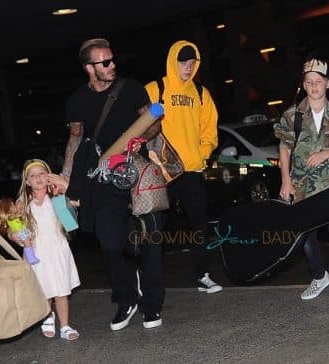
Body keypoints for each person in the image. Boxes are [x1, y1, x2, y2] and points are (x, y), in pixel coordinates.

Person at [63, 38, 165, 330]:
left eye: (112, 60)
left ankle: (152, 305)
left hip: (137, 174)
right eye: (104, 62)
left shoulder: (131, 89)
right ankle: (127, 298)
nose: (112, 65)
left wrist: (140, 139)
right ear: (89, 68)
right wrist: (67, 176)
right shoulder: (77, 100)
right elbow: (75, 138)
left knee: (151, 242)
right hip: (102, 178)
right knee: (109, 245)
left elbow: (155, 122)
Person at [274, 58, 329, 300]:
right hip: (302, 186)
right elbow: (284, 149)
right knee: (305, 236)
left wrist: (327, 154)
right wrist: (285, 181)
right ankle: (319, 276)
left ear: (328, 84)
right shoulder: (293, 116)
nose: (314, 87)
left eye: (319, 82)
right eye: (309, 82)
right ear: (303, 85)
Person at [145, 40, 222, 294]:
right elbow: (138, 125)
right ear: (172, 60)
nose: (188, 67)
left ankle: (203, 274)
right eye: (183, 62)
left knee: (199, 224)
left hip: (191, 170)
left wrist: (203, 152)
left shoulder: (201, 93)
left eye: (192, 62)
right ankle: (150, 281)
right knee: (155, 226)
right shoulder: (155, 89)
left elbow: (210, 129)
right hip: (161, 171)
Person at [10, 159, 81, 340]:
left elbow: (71, 221)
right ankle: (48, 316)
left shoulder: (57, 197)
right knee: (44, 289)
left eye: (42, 173)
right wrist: (14, 235)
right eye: (32, 176)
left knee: (61, 290)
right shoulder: (22, 204)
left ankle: (65, 326)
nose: (38, 178)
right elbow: (13, 227)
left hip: (57, 249)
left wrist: (63, 194)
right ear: (27, 182)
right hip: (37, 252)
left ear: (49, 176)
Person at [0, 196, 40, 265]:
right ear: (9, 209)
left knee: (28, 242)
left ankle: (31, 256)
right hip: (21, 231)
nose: (15, 206)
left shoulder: (12, 217)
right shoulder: (11, 217)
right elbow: (15, 217)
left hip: (22, 230)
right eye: (13, 205)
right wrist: (20, 212)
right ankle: (31, 257)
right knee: (27, 242)